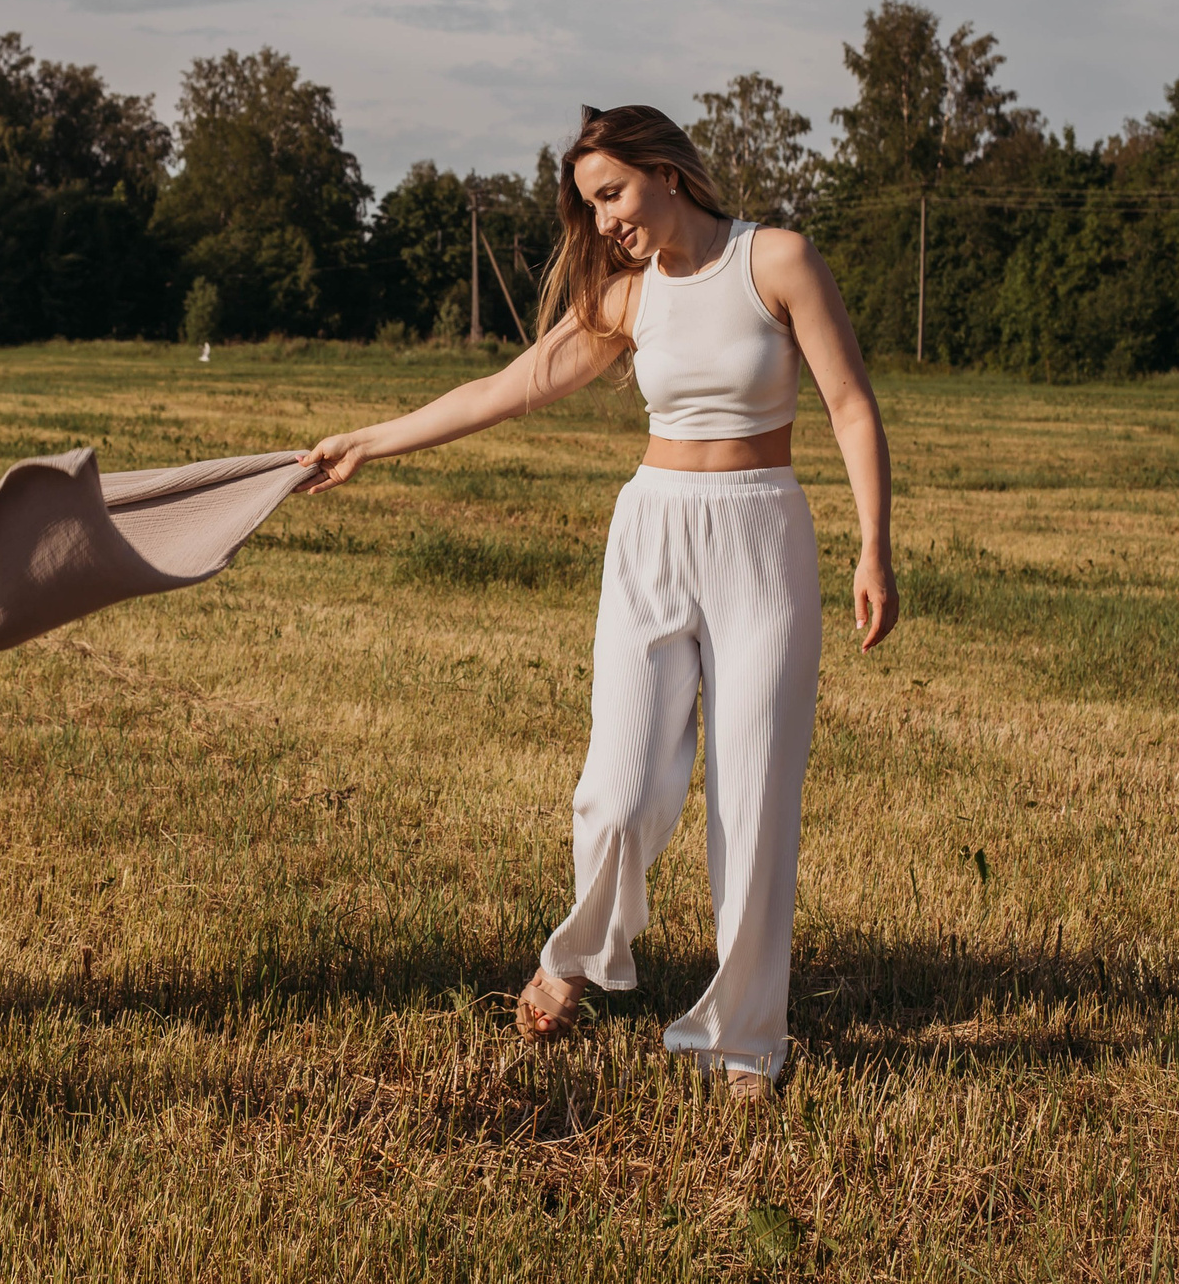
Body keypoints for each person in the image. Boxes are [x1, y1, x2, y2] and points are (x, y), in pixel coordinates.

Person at [297, 104, 897, 1101]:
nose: (604, 220)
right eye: (589, 205)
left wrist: (874, 544)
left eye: (611, 194)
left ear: (665, 170)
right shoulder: (627, 300)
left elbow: (848, 404)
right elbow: (506, 386)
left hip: (762, 539)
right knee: (617, 792)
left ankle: (744, 1038)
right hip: (652, 537)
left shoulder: (777, 260)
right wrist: (370, 438)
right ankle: (575, 954)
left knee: (751, 802)